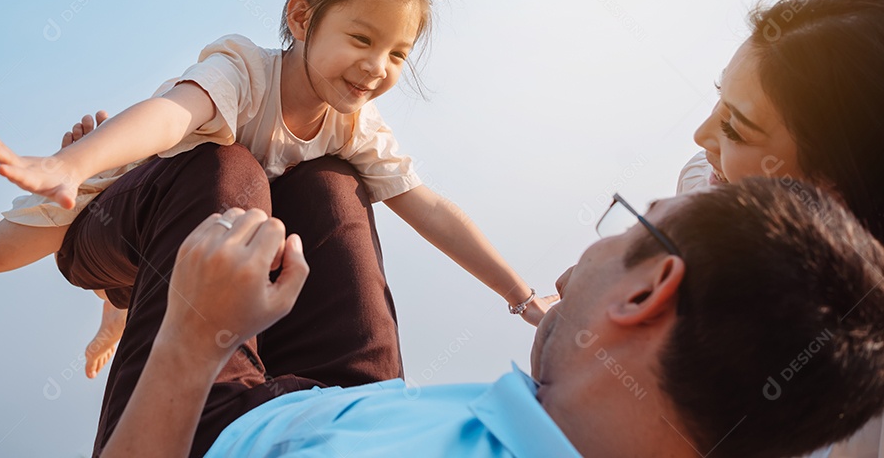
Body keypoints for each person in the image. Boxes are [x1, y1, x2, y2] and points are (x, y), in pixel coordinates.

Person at [0, 0, 547, 381]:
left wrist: (521, 295)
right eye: (362, 39)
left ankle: (115, 315)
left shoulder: (355, 125)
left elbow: (429, 206)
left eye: (397, 54)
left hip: (206, 239)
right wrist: (70, 166)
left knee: (249, 205)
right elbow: (174, 113)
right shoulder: (243, 71)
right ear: (303, 18)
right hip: (117, 191)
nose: (376, 67)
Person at [97, 178, 884, 458]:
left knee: (216, 179)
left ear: (647, 294)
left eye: (628, 224)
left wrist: (193, 335)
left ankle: (83, 243)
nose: (577, 264)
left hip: (212, 423)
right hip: (350, 404)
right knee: (331, 183)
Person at [677, 0, 884, 456]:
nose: (702, 135)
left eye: (735, 128)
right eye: (719, 100)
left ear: (837, 186)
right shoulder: (702, 186)